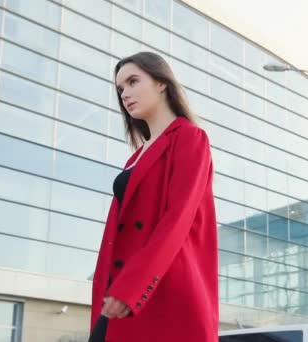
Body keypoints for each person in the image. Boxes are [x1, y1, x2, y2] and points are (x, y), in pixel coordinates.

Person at [89, 51, 218, 342]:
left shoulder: (190, 138)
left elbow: (178, 219)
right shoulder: (136, 157)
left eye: (133, 81)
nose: (125, 94)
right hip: (119, 288)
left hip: (161, 290)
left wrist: (132, 288)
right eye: (120, 89)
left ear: (161, 82)